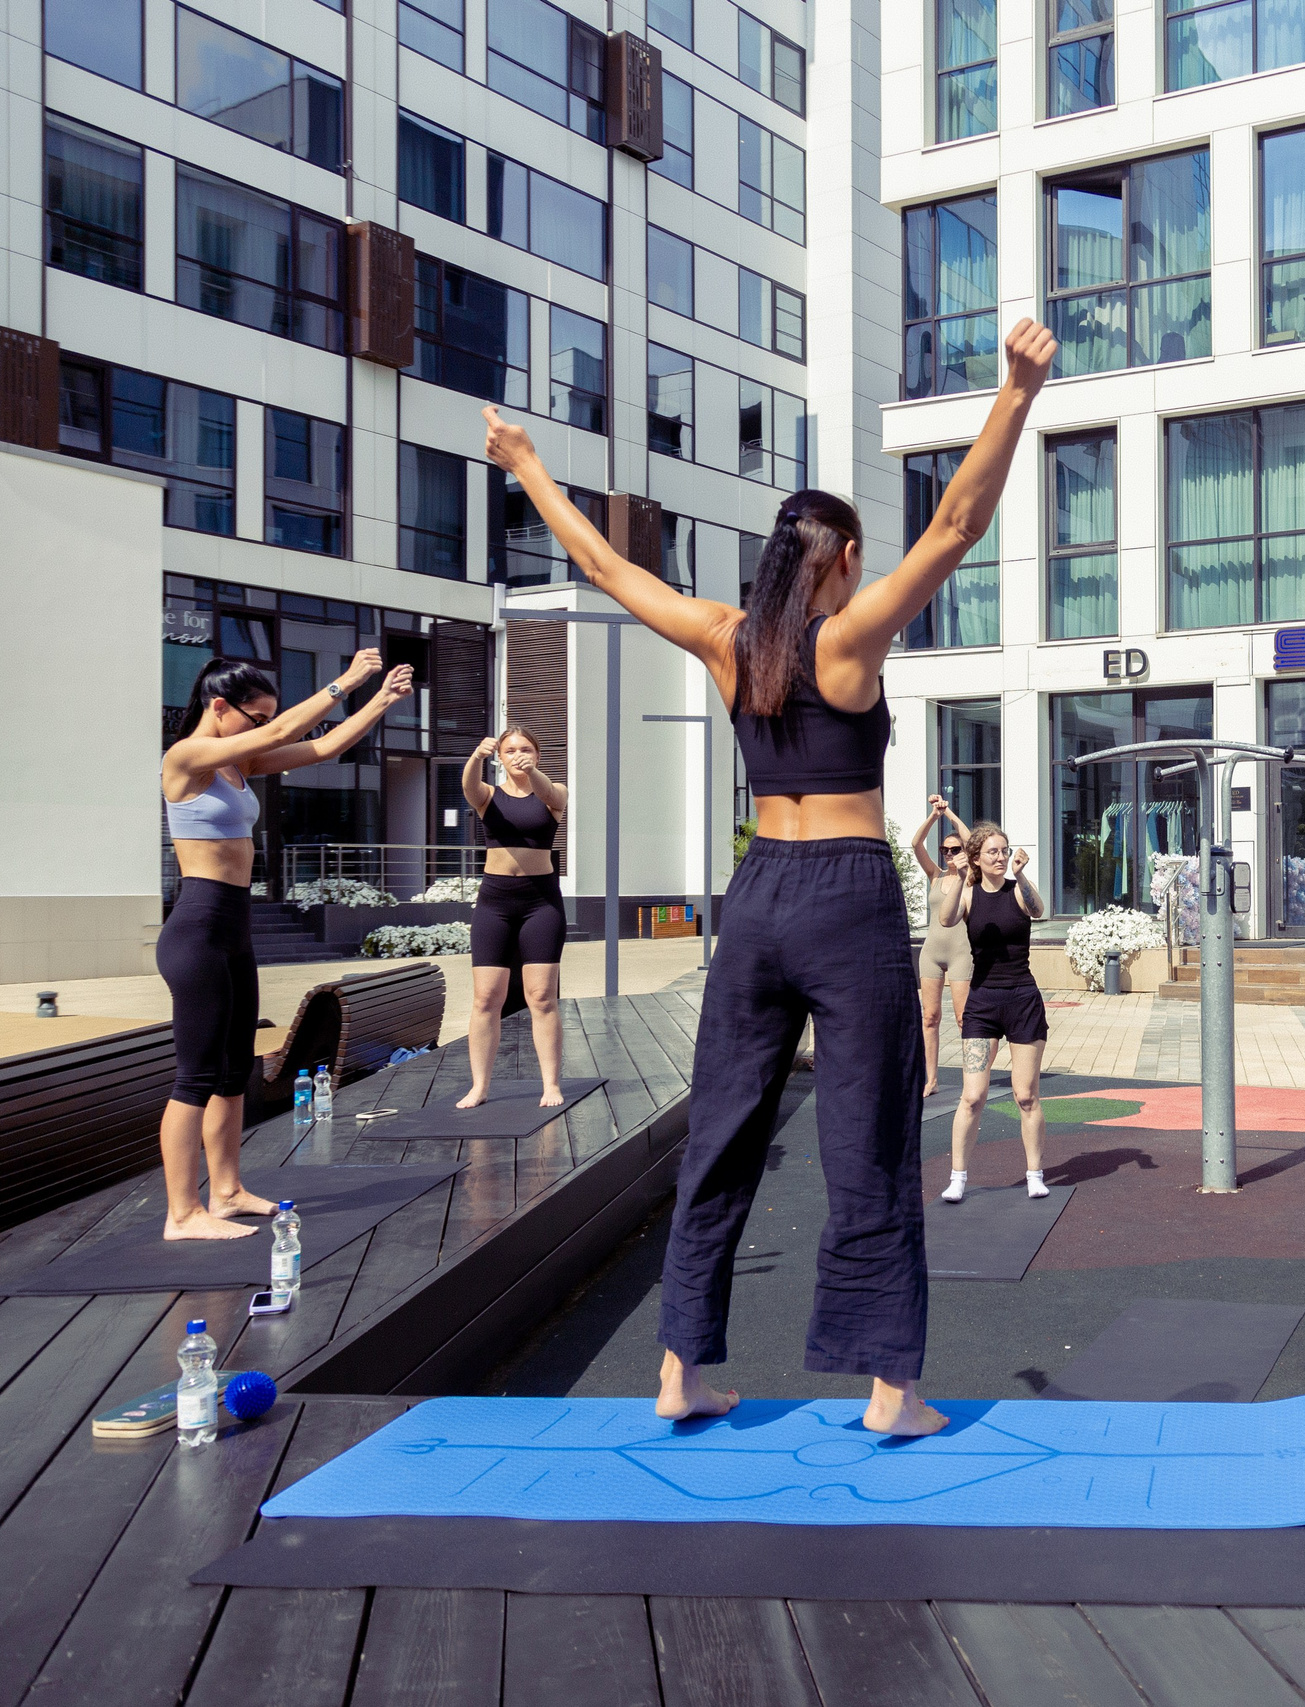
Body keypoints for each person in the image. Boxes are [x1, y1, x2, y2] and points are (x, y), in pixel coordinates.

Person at [480, 315, 1058, 1434]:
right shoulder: (848, 641)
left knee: (723, 1127)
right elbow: (955, 524)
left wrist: (529, 465)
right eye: (857, 555)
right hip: (845, 894)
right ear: (839, 560)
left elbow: (599, 565)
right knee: (867, 1134)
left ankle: (680, 1371)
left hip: (754, 899)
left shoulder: (726, 637)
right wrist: (1015, 395)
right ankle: (889, 1390)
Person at [159, 651, 414, 1238]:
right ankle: (182, 1213)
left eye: (264, 719)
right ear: (218, 707)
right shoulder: (185, 758)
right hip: (197, 930)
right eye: (255, 717)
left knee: (233, 1072)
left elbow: (322, 748)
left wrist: (380, 700)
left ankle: (226, 1192)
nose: (263, 728)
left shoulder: (237, 765)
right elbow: (282, 733)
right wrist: (346, 681)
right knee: (195, 1077)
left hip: (233, 929)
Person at [936, 824, 1050, 1204]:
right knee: (972, 1097)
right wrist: (957, 877)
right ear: (976, 858)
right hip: (982, 1004)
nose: (1001, 857)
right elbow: (946, 920)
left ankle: (1035, 1174)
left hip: (1022, 1000)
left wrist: (1022, 875)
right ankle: (958, 1177)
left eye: (1004, 851)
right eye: (993, 852)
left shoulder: (1018, 889)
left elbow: (1038, 911)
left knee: (1026, 1095)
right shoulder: (968, 893)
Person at [458, 727, 571, 1108]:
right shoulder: (489, 795)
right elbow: (469, 787)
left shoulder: (553, 792)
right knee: (485, 998)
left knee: (541, 996)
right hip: (495, 903)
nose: (518, 755)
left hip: (541, 903)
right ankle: (479, 1086)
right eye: (510, 750)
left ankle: (551, 1084)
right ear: (499, 758)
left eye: (526, 749)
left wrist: (531, 772)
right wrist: (477, 756)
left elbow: (551, 794)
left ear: (537, 755)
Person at [908, 794, 974, 1098]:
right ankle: (931, 1080)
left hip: (961, 954)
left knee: (963, 1020)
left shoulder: (970, 878)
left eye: (954, 849)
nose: (949, 854)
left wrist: (949, 814)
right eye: (945, 850)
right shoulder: (935, 875)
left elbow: (970, 839)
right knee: (929, 1018)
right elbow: (915, 844)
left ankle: (970, 1081)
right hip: (931, 954)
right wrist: (933, 816)